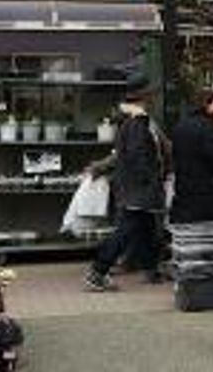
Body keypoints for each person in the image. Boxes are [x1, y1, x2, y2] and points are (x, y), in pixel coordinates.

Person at [84, 76, 170, 291]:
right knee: (126, 231)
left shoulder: (134, 122)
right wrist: (151, 180)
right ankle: (98, 272)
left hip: (136, 188)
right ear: (142, 99)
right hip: (139, 189)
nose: (152, 100)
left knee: (147, 229)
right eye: (150, 96)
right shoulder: (137, 124)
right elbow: (138, 157)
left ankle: (151, 269)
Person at [170, 87, 213, 225]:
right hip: (204, 192)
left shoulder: (180, 125)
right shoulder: (208, 127)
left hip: (182, 190)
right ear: (207, 104)